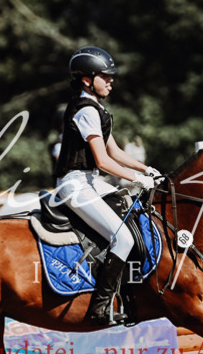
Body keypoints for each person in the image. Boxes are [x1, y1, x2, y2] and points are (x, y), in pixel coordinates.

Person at [52, 46, 162, 326]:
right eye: (105, 76)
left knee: (131, 210)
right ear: (87, 80)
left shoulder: (97, 109)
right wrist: (136, 178)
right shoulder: (86, 109)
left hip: (90, 182)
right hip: (74, 185)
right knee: (122, 238)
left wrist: (145, 169)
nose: (111, 81)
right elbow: (102, 161)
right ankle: (99, 309)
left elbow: (115, 152)